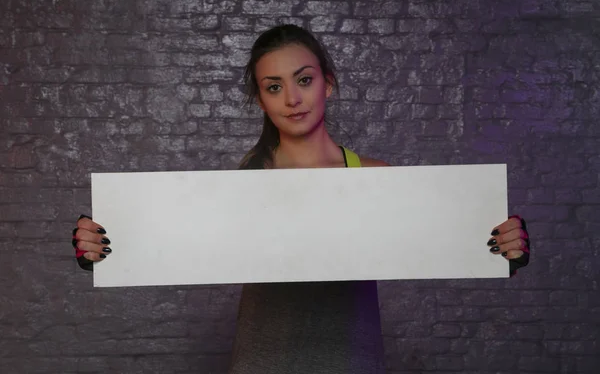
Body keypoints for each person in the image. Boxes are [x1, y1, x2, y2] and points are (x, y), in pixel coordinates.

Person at [71, 24, 531, 373]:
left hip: (353, 360)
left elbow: (447, 245)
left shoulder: (376, 178)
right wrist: (107, 246)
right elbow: (171, 247)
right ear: (261, 101)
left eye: (303, 80)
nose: (292, 98)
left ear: (327, 83)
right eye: (274, 87)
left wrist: (500, 246)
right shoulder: (242, 183)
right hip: (262, 363)